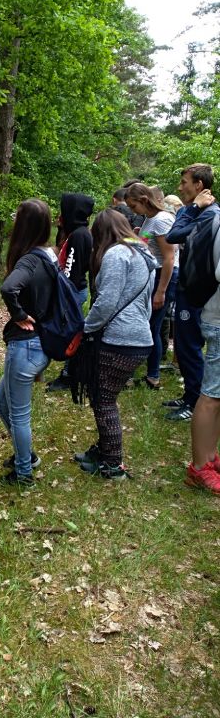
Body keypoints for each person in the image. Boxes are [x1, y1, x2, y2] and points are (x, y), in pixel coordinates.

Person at [73, 209, 156, 480]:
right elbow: (144, 303)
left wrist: (86, 328)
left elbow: (106, 301)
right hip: (139, 337)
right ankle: (104, 451)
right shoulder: (142, 254)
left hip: (121, 339)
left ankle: (112, 463)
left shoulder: (116, 255)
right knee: (105, 396)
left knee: (104, 399)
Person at [0, 199, 57, 487]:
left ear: (24, 224)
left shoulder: (29, 259)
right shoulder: (50, 256)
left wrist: (18, 314)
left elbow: (8, 288)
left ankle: (24, 472)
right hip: (40, 344)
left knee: (19, 415)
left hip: (26, 346)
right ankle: (25, 455)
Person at [164, 164, 220, 420]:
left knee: (190, 348)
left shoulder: (209, 215)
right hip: (189, 290)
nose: (180, 187)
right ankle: (189, 396)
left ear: (199, 185)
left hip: (199, 294)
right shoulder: (196, 212)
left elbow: (173, 235)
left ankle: (194, 402)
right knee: (185, 347)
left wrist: (194, 208)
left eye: (184, 182)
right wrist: (192, 208)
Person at [125, 182, 178, 389]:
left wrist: (161, 291)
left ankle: (153, 376)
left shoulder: (162, 220)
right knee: (149, 326)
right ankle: (150, 374)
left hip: (163, 277)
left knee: (151, 327)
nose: (132, 210)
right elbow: (147, 245)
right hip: (152, 276)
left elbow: (169, 258)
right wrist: (135, 237)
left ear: (144, 200)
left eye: (133, 206)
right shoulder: (149, 219)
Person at [185, 221, 220, 494]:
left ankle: (208, 457)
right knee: (211, 396)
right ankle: (199, 467)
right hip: (218, 320)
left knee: (217, 396)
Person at [46, 193, 94, 391]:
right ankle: (70, 373)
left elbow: (71, 270)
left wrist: (63, 295)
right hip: (72, 290)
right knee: (70, 333)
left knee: (70, 335)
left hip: (72, 292)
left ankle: (69, 375)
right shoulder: (76, 232)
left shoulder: (79, 235)